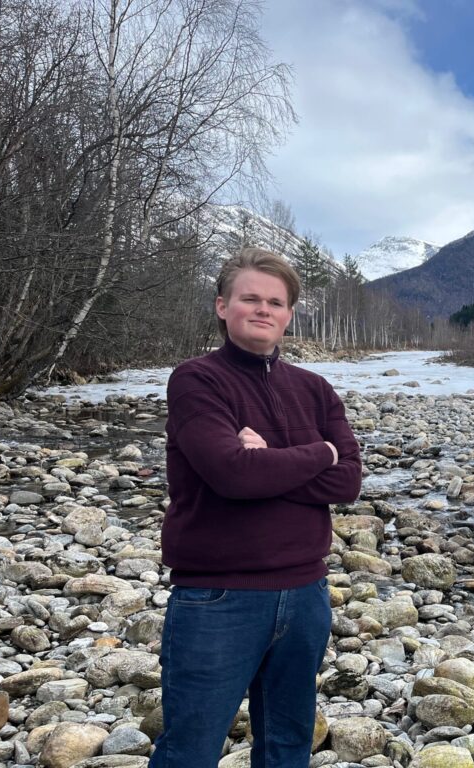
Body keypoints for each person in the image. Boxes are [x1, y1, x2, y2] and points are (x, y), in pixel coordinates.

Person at [151, 248, 362, 767]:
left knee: (287, 747)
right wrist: (319, 453)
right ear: (223, 306)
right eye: (250, 298)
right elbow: (232, 475)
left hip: (307, 594)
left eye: (275, 302)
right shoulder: (197, 380)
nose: (263, 309)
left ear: (289, 315)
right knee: (189, 751)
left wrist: (268, 459)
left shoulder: (315, 389)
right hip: (218, 597)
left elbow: (348, 481)